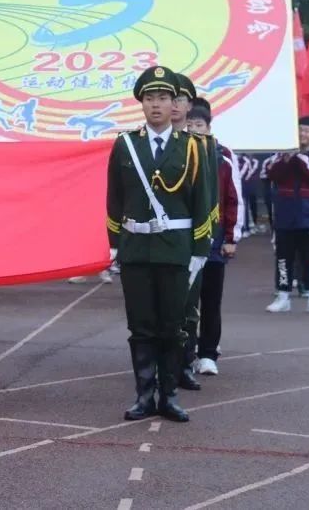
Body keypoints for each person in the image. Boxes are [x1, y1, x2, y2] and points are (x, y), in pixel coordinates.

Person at [107, 66, 211, 423]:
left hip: (175, 248)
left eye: (163, 98)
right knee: (141, 325)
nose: (156, 105)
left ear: (175, 104)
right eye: (150, 98)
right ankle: (143, 395)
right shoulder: (126, 144)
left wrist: (199, 251)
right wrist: (114, 244)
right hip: (136, 247)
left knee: (173, 325)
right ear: (141, 103)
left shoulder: (194, 148)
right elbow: (114, 198)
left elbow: (202, 201)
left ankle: (168, 395)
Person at [186, 106, 241, 376]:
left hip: (214, 238)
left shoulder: (223, 156)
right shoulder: (177, 153)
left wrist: (231, 236)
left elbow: (233, 197)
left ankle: (208, 353)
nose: (194, 129)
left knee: (210, 298)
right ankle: (185, 351)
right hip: (183, 239)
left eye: (199, 124)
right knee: (184, 300)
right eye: (190, 125)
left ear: (208, 127)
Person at [172, 81, 219, 393]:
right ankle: (156, 367)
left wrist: (203, 243)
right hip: (155, 239)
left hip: (190, 238)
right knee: (153, 309)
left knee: (188, 307)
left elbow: (209, 197)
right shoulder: (137, 142)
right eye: (164, 98)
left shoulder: (204, 147)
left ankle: (183, 362)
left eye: (179, 100)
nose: (173, 105)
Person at [265, 116, 309, 315]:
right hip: (285, 212)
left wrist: (297, 156)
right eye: (300, 130)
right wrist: (285, 158)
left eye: (307, 130)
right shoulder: (282, 152)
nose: (303, 134)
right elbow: (270, 172)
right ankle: (283, 296)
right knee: (283, 257)